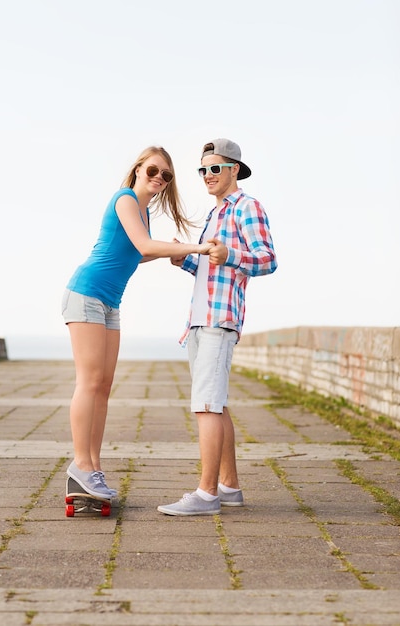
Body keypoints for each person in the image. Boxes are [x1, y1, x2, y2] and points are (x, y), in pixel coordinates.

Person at [62, 145, 213, 499]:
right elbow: (144, 245)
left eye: (166, 175)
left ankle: (92, 469)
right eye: (153, 171)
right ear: (138, 170)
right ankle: (81, 465)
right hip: (86, 293)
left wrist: (170, 250)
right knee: (90, 381)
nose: (159, 178)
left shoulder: (143, 213)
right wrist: (197, 248)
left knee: (104, 385)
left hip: (109, 302)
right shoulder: (125, 198)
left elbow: (136, 252)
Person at [157, 138, 277, 516]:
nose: (207, 175)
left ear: (234, 170)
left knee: (206, 406)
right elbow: (211, 268)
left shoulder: (247, 207)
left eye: (215, 168)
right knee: (216, 404)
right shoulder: (214, 214)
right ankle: (229, 487)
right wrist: (184, 260)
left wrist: (230, 253)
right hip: (198, 320)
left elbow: (268, 259)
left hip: (219, 320)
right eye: (203, 169)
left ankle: (206, 495)